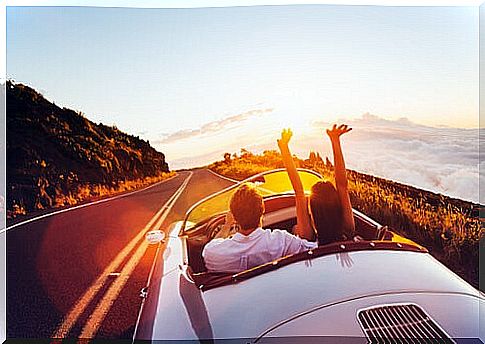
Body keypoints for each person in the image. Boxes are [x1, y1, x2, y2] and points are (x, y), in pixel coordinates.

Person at [202, 184, 317, 273]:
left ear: (234, 217)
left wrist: (227, 226)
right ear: (262, 210)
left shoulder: (212, 253)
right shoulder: (281, 241)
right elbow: (315, 248)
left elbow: (213, 244)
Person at [277, 124, 355, 245]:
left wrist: (284, 148)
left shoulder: (309, 237)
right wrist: (335, 141)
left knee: (294, 228)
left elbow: (299, 191)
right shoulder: (347, 229)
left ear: (312, 210)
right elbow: (342, 185)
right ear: (337, 206)